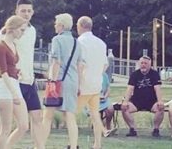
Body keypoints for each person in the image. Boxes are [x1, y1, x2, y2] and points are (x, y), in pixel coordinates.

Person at [39, 13, 82, 149]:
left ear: (61, 26)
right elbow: (80, 65)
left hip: (58, 82)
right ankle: (74, 146)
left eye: (56, 23)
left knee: (47, 116)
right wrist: (79, 84)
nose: (55, 25)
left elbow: (56, 61)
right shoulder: (77, 42)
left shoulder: (57, 40)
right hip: (73, 81)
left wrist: (52, 80)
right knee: (70, 116)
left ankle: (40, 146)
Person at [0, 15, 28, 149]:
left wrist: (18, 71)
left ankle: (7, 146)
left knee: (24, 125)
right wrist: (14, 94)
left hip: (14, 83)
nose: (22, 33)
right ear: (13, 29)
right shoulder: (0, 46)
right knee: (5, 128)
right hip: (5, 87)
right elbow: (3, 72)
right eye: (21, 30)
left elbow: (10, 67)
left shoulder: (13, 44)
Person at [13, 0, 43, 149]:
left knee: (37, 116)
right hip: (15, 81)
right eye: (23, 10)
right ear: (16, 11)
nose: (26, 14)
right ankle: (1, 145)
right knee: (7, 120)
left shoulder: (32, 30)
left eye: (29, 11)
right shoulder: (10, 29)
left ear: (33, 12)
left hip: (30, 81)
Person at [76, 16, 107, 149]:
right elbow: (105, 65)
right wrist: (97, 73)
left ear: (80, 26)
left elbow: (80, 64)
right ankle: (97, 144)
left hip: (83, 84)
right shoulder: (101, 43)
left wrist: (77, 82)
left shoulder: (80, 42)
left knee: (71, 114)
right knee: (95, 114)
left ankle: (73, 143)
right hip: (96, 84)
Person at [120, 55, 165, 138]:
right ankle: (132, 129)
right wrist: (125, 102)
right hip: (137, 101)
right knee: (124, 108)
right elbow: (130, 89)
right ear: (139, 64)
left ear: (149, 64)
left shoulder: (155, 74)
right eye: (142, 63)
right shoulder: (134, 74)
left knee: (161, 108)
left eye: (145, 63)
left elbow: (157, 89)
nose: (143, 65)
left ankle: (156, 130)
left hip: (151, 101)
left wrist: (160, 101)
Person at [98, 71, 116, 138]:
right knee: (96, 113)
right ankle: (104, 131)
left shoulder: (104, 75)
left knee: (110, 109)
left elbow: (108, 88)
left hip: (103, 98)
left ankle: (108, 126)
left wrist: (105, 96)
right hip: (91, 99)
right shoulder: (89, 74)